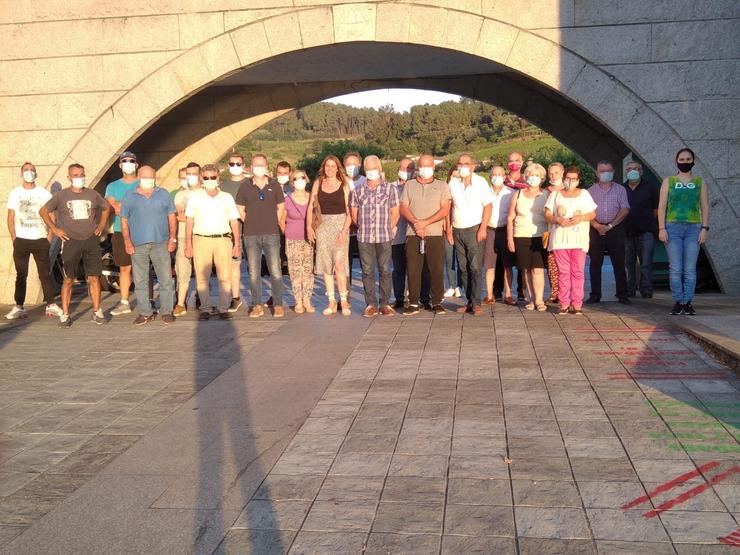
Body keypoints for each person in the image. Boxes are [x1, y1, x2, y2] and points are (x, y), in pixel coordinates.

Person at [40, 163, 110, 327]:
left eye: (82, 174)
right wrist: (55, 229)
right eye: (76, 175)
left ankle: (97, 311)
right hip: (70, 240)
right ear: (69, 178)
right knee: (69, 279)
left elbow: (106, 208)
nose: (80, 177)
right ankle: (65, 315)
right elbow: (43, 211)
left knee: (94, 277)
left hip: (91, 239)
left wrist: (101, 225)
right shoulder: (61, 196)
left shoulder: (92, 194)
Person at [120, 166, 177, 325]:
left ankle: (166, 311)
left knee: (165, 279)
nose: (148, 180)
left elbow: (171, 217)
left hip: (161, 243)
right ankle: (145, 312)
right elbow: (124, 220)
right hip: (138, 244)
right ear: (139, 177)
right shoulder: (129, 195)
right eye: (145, 177)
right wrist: (127, 240)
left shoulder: (163, 194)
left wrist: (173, 239)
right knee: (140, 280)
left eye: (151, 177)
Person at [5, 162, 62, 320]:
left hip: (40, 239)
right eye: (26, 170)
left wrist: (49, 237)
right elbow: (10, 217)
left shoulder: (43, 193)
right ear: (21, 173)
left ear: (36, 173)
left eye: (32, 170)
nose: (29, 172)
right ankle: (19, 307)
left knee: (44, 274)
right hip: (21, 240)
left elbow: (52, 216)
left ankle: (51, 304)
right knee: (21, 274)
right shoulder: (15, 193)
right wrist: (14, 238)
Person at [658, 148, 710, 316]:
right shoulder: (669, 181)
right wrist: (661, 228)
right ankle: (678, 301)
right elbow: (662, 207)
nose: (685, 162)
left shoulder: (700, 182)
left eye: (688, 159)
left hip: (694, 228)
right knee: (675, 268)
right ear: (676, 161)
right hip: (672, 228)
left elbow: (705, 206)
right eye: (682, 159)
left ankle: (687, 302)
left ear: (693, 161)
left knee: (689, 268)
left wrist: (704, 228)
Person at [185, 164, 240, 321]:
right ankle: (206, 308)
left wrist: (237, 244)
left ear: (218, 178)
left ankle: (223, 308)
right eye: (206, 178)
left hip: (223, 239)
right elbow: (189, 221)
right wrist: (188, 244)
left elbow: (234, 221)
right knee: (202, 277)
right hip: (201, 239)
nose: (209, 180)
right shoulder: (195, 197)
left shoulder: (226, 197)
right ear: (202, 179)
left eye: (212, 177)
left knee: (225, 276)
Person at [235, 154, 286, 318]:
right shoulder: (245, 186)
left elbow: (281, 208)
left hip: (271, 233)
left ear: (266, 166)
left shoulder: (275, 185)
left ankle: (278, 304)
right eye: (256, 165)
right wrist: (250, 222)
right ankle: (257, 304)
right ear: (251, 167)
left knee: (276, 270)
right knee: (254, 272)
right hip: (251, 235)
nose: (259, 167)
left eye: (262, 165)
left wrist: (271, 222)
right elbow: (240, 209)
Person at [400, 154, 451, 315]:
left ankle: (436, 301)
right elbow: (403, 207)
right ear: (417, 168)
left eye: (428, 166)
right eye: (422, 166)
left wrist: (425, 223)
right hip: (413, 232)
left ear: (433, 168)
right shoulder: (409, 185)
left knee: (435, 268)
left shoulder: (442, 186)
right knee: (413, 268)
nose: (425, 169)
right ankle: (413, 302)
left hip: (434, 233)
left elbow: (445, 209)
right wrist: (416, 223)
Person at [350, 155, 400, 317]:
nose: (372, 172)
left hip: (384, 236)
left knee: (385, 270)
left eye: (374, 168)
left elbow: (395, 213)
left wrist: (387, 227)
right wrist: (365, 227)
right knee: (367, 270)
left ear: (380, 169)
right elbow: (354, 215)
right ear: (365, 169)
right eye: (368, 169)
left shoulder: (390, 189)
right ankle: (370, 304)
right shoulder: (357, 191)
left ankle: (384, 303)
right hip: (364, 237)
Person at [544, 166, 597, 315]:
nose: (570, 181)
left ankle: (577, 303)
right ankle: (564, 303)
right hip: (560, 240)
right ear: (564, 178)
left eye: (573, 179)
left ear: (578, 180)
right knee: (563, 272)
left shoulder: (584, 194)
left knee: (578, 272)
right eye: (568, 178)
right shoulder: (555, 195)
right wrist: (558, 219)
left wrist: (581, 217)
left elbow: (592, 213)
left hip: (579, 240)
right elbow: (547, 213)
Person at [448, 154, 493, 315]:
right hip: (457, 229)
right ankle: (468, 301)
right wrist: (449, 229)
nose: (462, 167)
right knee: (462, 267)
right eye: (459, 164)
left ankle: (476, 302)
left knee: (475, 267)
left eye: (466, 164)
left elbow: (488, 206)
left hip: (474, 229)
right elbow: (450, 206)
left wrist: (483, 228)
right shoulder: (453, 183)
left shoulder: (480, 182)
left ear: (473, 166)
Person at [307, 155, 352, 316]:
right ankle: (331, 301)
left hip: (340, 225)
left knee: (339, 264)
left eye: (333, 166)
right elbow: (311, 207)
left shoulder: (344, 185)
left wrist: (344, 230)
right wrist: (309, 227)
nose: (330, 169)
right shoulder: (318, 183)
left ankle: (344, 300)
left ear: (338, 168)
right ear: (323, 168)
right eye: (327, 166)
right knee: (326, 264)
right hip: (322, 226)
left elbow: (350, 211)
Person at [507, 163, 550, 311]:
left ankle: (539, 300)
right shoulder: (517, 194)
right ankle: (531, 299)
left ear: (542, 178)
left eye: (537, 176)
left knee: (538, 269)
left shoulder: (546, 194)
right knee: (526, 269)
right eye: (531, 175)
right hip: (521, 235)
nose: (533, 178)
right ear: (526, 177)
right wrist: (510, 238)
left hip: (540, 235)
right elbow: (510, 217)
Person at [588, 160, 631, 304]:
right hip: (596, 229)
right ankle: (595, 295)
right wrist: (596, 225)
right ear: (597, 173)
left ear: (613, 171)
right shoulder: (591, 191)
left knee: (619, 263)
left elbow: (625, 209)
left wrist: (611, 225)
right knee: (595, 263)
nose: (605, 173)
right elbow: (586, 211)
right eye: (602, 171)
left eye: (608, 170)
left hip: (615, 229)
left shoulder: (620, 189)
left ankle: (622, 295)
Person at [104, 151, 139, 316]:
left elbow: (141, 208)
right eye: (125, 161)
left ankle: (148, 301)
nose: (128, 163)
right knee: (124, 268)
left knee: (142, 269)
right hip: (120, 232)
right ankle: (124, 302)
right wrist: (128, 206)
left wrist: (121, 204)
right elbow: (112, 208)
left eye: (131, 161)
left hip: (141, 231)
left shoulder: (142, 184)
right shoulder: (112, 186)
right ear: (120, 165)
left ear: (136, 164)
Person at [622, 160, 658, 299]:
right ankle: (630, 289)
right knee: (628, 264)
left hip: (646, 232)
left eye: (636, 168)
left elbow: (656, 209)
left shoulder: (650, 188)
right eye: (630, 169)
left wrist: (648, 221)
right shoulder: (621, 189)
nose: (633, 171)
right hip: (627, 233)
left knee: (646, 263)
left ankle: (646, 290)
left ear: (641, 171)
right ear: (626, 172)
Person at [220, 152, 250, 313]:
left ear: (244, 165)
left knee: (254, 265)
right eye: (232, 164)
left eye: (238, 164)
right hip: (231, 231)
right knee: (234, 264)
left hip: (251, 229)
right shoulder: (222, 186)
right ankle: (236, 297)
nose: (235, 167)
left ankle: (257, 300)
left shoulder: (250, 183)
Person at [283, 170, 315, 314]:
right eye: (295, 178)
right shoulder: (287, 200)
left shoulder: (312, 198)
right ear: (292, 182)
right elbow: (281, 219)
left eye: (302, 177)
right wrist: (288, 233)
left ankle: (307, 300)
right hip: (292, 239)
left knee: (308, 270)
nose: (299, 180)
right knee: (295, 271)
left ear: (307, 179)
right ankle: (298, 301)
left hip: (309, 239)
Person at [483, 165, 514, 305]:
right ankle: (489, 295)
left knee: (507, 264)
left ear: (504, 176)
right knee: (489, 264)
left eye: (500, 174)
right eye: (494, 174)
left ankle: (508, 294)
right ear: (490, 177)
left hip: (505, 230)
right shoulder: (484, 193)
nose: (497, 177)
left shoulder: (511, 193)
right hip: (490, 230)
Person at [173, 163, 201, 315]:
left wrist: (187, 217)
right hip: (183, 236)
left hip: (201, 235)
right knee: (182, 271)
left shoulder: (204, 193)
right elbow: (179, 216)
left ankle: (202, 300)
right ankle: (180, 303)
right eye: (188, 174)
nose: (191, 177)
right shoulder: (180, 195)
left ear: (200, 175)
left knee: (202, 272)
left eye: (193, 174)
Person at [390, 158, 414, 308]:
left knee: (415, 268)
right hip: (396, 234)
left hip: (413, 234)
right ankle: (399, 298)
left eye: (409, 169)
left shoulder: (416, 187)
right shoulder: (390, 188)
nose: (405, 172)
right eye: (403, 168)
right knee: (398, 269)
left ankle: (416, 297)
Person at [343, 152, 365, 289]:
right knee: (345, 264)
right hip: (345, 228)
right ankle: (345, 295)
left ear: (360, 165)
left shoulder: (365, 181)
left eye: (354, 164)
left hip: (362, 228)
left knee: (366, 264)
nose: (352, 167)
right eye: (348, 164)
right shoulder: (340, 182)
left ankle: (370, 296)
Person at [545, 162, 565, 303]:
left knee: (566, 266)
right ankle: (555, 293)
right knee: (552, 265)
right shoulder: (545, 191)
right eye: (551, 173)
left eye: (556, 173)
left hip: (568, 232)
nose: (553, 176)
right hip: (550, 232)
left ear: (562, 173)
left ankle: (566, 293)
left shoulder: (569, 190)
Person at [443, 167, 463, 300]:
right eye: (453, 176)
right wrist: (448, 230)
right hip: (447, 228)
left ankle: (460, 286)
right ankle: (452, 285)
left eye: (458, 177)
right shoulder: (444, 191)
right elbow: (445, 213)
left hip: (461, 228)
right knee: (449, 259)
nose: (455, 179)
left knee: (461, 259)